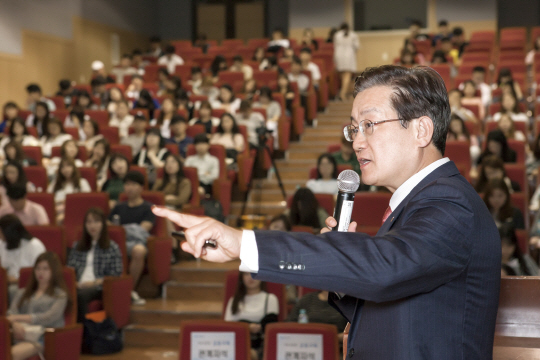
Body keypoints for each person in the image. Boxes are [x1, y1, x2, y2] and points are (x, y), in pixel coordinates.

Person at [153, 65, 501, 359]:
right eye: (353, 128)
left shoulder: (451, 204)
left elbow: (387, 269)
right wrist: (343, 268)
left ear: (421, 130)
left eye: (369, 125)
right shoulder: (419, 203)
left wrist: (244, 244)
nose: (357, 141)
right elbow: (398, 309)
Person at [7, 252, 69, 360]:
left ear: (54, 271)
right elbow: (11, 313)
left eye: (46, 269)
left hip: (43, 337)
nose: (41, 272)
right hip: (16, 334)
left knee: (10, 355)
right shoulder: (22, 292)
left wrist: (17, 318)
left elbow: (48, 317)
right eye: (38, 268)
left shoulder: (60, 295)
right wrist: (15, 324)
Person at [108, 170, 156, 305]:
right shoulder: (119, 207)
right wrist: (127, 229)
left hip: (135, 242)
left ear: (141, 187)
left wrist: (121, 230)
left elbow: (142, 230)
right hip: (117, 242)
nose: (130, 188)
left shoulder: (148, 208)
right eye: (127, 184)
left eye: (134, 184)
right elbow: (109, 226)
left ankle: (129, 289)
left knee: (139, 250)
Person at [67, 208, 123, 322]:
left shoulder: (112, 247)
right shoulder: (77, 246)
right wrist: (74, 283)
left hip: (98, 286)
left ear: (103, 224)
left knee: (80, 296)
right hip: (78, 285)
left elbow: (116, 274)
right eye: (89, 222)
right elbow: (69, 270)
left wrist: (93, 283)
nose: (92, 226)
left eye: (96, 221)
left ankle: (86, 333)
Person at [224, 271, 279, 359]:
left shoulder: (270, 299)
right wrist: (247, 328)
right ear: (241, 278)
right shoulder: (233, 301)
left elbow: (272, 327)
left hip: (261, 346)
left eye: (254, 273)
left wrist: (258, 327)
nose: (250, 277)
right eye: (246, 274)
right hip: (238, 343)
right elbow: (227, 328)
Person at [0, 214, 45, 299]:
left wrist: (14, 280)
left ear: (9, 233)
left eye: (1, 232)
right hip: (6, 282)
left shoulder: (34, 246)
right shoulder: (2, 243)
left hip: (26, 285)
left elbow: (41, 275)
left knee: (12, 291)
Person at [47, 158, 91, 223]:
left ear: (74, 167)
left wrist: (65, 202)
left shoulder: (82, 182)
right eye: (63, 167)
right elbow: (48, 200)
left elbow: (87, 201)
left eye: (68, 166)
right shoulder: (55, 183)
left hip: (76, 212)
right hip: (56, 211)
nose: (66, 169)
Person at [333, 23, 360, 101]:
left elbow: (335, 46)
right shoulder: (353, 35)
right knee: (347, 75)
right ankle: (343, 93)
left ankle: (342, 92)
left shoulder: (337, 35)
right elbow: (357, 46)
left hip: (339, 55)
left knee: (343, 75)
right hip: (349, 55)